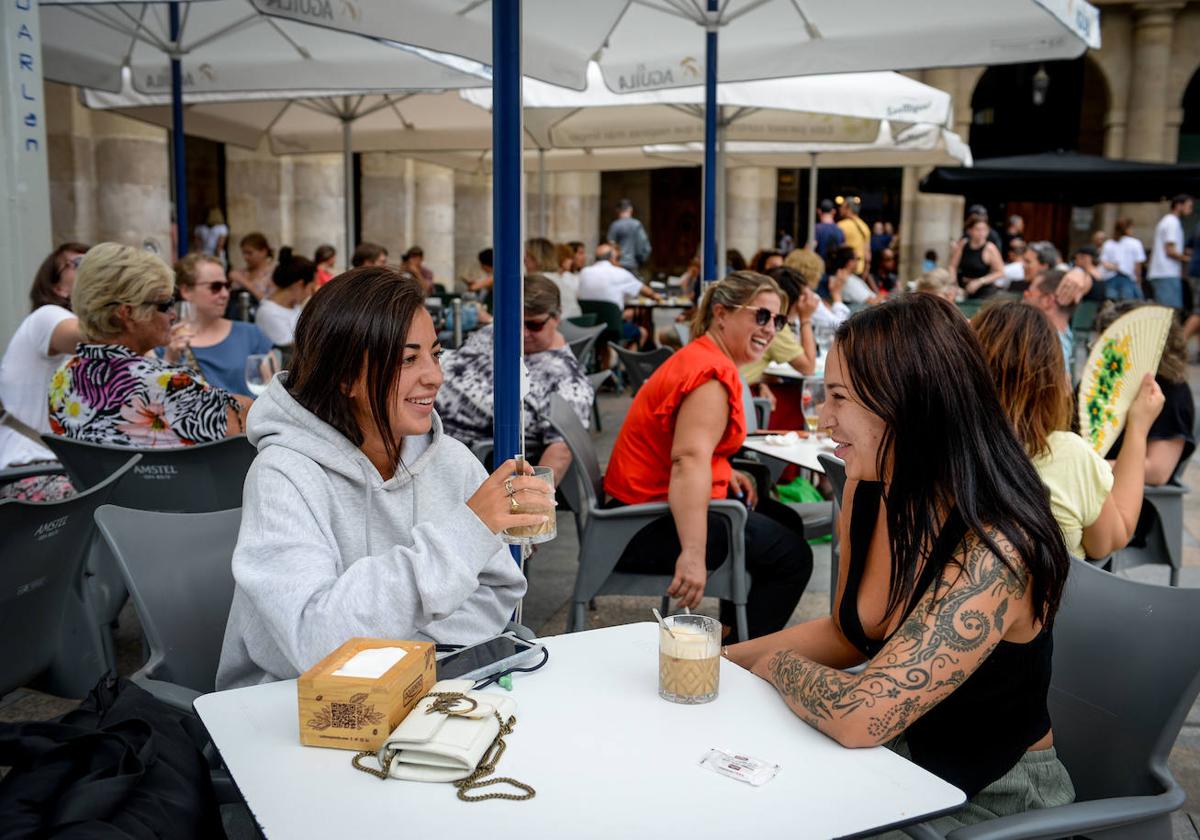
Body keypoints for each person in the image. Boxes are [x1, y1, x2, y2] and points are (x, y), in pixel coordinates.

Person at [726, 293, 1074, 830]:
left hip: (990, 800)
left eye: (840, 397)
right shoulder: (874, 491)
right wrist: (715, 659)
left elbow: (864, 716)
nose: (824, 415)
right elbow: (849, 635)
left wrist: (771, 666)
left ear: (912, 403)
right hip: (899, 762)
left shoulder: (998, 546)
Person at [215, 268, 538, 689]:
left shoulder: (451, 461)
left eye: (435, 354)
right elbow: (315, 644)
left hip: (418, 694)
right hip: (287, 709)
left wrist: (393, 648)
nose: (435, 376)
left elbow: (497, 591)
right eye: (408, 359)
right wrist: (467, 534)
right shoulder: (284, 473)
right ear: (346, 375)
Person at [604, 271, 814, 642]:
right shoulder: (710, 376)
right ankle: (736, 657)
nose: (771, 329)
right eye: (761, 316)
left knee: (784, 520)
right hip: (639, 527)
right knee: (793, 557)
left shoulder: (703, 356)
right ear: (721, 313)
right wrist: (692, 554)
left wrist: (722, 469)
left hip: (642, 507)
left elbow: (691, 449)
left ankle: (735, 632)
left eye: (779, 320)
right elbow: (688, 460)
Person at [973, 301, 1163, 560]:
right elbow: (1112, 538)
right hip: (1055, 600)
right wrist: (1138, 429)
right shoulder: (1069, 456)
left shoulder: (936, 447)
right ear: (1052, 380)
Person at [49, 243, 250, 447]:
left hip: (99, 480)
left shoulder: (62, 378)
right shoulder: (168, 384)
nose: (173, 315)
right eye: (164, 304)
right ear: (127, 313)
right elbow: (248, 422)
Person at [438, 274, 593, 483]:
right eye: (515, 322)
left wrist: (533, 498)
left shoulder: (567, 378)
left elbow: (561, 447)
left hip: (458, 458)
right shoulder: (499, 331)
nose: (522, 332)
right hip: (417, 423)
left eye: (534, 325)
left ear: (557, 317)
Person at [0, 243, 89, 501]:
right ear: (57, 287)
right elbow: (96, 337)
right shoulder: (47, 316)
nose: (91, 269)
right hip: (29, 471)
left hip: (67, 471)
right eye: (79, 263)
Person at [1099, 301, 1195, 486]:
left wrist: (1089, 467)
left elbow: (1157, 471)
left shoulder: (1170, 392)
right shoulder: (1104, 381)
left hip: (1128, 494)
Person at [168, 253, 274, 396]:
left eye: (227, 285)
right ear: (186, 291)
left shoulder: (250, 335)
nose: (225, 294)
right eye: (215, 287)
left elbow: (274, 395)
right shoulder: (167, 343)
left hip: (246, 417)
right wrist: (169, 360)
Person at [739, 266, 819, 390]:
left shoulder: (755, 318)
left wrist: (762, 382)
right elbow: (808, 367)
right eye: (804, 296)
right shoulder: (775, 327)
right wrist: (805, 318)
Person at [577, 242, 662, 346]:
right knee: (642, 332)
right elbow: (647, 292)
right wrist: (657, 297)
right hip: (612, 327)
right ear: (613, 257)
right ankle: (627, 361)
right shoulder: (620, 273)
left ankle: (606, 361)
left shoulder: (584, 272)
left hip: (589, 326)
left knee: (604, 341)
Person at [254, 248, 316, 346]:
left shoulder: (294, 306)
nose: (311, 294)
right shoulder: (269, 312)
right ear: (299, 284)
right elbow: (292, 348)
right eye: (311, 288)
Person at [1023, 268, 1075, 379]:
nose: (1024, 298)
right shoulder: (1070, 340)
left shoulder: (1048, 348)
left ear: (1048, 301)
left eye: (1029, 294)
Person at [1148, 194, 1193, 310]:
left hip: (1163, 273)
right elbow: (1170, 251)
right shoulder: (1172, 222)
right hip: (1166, 273)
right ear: (1179, 206)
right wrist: (1189, 260)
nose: (1190, 210)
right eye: (1189, 206)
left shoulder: (1168, 221)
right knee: (1169, 312)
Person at [787, 248, 849, 330]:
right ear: (814, 273)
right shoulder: (808, 298)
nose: (820, 276)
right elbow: (840, 327)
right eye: (819, 272)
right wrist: (836, 294)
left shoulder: (787, 291)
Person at [948, 213, 1006, 299]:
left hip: (983, 292)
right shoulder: (963, 244)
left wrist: (980, 281)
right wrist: (953, 284)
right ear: (970, 230)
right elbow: (952, 266)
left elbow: (1000, 272)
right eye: (978, 229)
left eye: (984, 229)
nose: (981, 233)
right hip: (962, 289)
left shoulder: (990, 248)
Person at [1099, 218, 1146, 301]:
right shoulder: (1135, 243)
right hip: (1128, 280)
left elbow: (1104, 263)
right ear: (1127, 229)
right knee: (1128, 307)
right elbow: (1137, 267)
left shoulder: (1108, 244)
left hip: (1110, 280)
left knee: (1111, 306)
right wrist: (1138, 282)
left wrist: (1114, 267)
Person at [606, 198, 651, 277]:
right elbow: (644, 245)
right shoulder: (636, 224)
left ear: (617, 210)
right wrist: (642, 259)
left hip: (618, 264)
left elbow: (611, 245)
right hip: (632, 263)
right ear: (631, 209)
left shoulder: (615, 225)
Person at [229, 232, 275, 302]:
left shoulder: (273, 273)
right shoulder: (242, 272)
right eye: (244, 253)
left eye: (249, 253)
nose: (245, 257)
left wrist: (243, 281)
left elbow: (270, 302)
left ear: (263, 252)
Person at [545, 242, 582, 319]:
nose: (571, 261)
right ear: (560, 258)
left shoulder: (570, 277)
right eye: (568, 258)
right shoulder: (553, 278)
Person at [836, 196, 871, 277]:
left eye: (842, 206)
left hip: (845, 270)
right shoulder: (864, 226)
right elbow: (868, 256)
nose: (840, 209)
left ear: (848, 208)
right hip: (860, 270)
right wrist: (865, 274)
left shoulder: (841, 226)